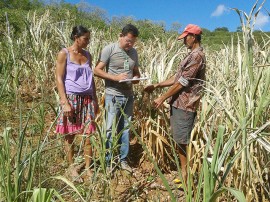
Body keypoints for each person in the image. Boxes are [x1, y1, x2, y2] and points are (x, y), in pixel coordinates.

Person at [144, 24, 206, 186]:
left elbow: (183, 82)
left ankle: (186, 179)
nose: (184, 40)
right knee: (180, 140)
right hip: (179, 103)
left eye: (186, 37)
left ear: (193, 37)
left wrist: (162, 98)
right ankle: (183, 174)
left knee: (183, 141)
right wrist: (157, 85)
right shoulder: (191, 55)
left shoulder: (197, 56)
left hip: (186, 104)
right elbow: (177, 78)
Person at [94, 24, 141, 173]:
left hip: (128, 95)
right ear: (120, 36)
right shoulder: (110, 49)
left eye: (132, 42)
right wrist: (114, 77)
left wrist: (136, 78)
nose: (130, 44)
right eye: (128, 41)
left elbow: (136, 72)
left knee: (125, 129)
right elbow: (96, 70)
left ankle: (123, 160)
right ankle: (107, 162)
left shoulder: (133, 53)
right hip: (113, 94)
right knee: (109, 129)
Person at [55, 25, 99, 182]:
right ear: (76, 37)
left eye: (88, 38)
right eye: (85, 38)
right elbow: (59, 78)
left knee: (89, 134)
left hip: (87, 98)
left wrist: (94, 99)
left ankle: (88, 167)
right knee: (70, 135)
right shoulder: (64, 54)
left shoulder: (88, 55)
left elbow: (91, 79)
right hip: (71, 98)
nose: (88, 41)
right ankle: (72, 167)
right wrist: (64, 102)